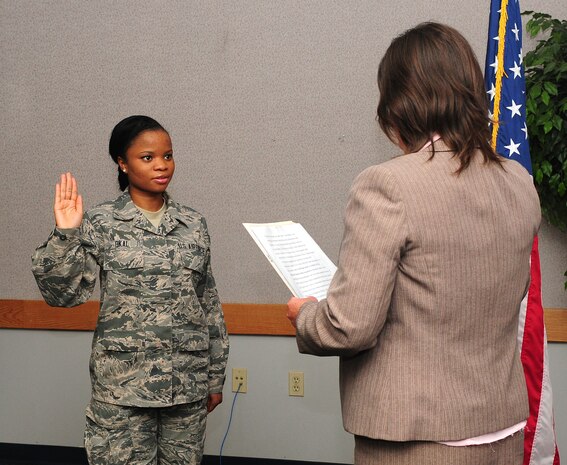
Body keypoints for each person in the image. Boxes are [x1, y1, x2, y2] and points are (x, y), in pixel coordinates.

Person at [287, 23, 540, 465]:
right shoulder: (518, 181)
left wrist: (305, 315)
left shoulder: (387, 184)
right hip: (501, 432)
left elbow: (350, 327)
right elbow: (503, 298)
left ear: (399, 103)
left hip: (420, 440)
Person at [32, 115, 229, 465]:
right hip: (123, 390)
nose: (162, 166)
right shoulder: (101, 222)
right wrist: (66, 235)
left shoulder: (193, 223)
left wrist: (214, 378)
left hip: (186, 388)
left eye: (167, 156)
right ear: (122, 163)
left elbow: (208, 304)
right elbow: (62, 295)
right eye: (147, 157)